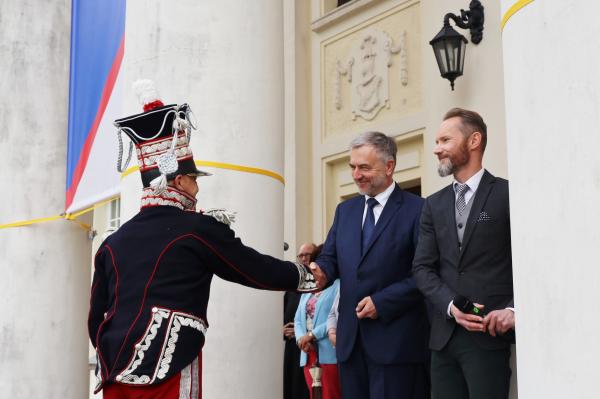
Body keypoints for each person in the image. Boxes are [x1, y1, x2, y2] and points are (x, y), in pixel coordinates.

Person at [88, 80, 316, 399]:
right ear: (178, 180)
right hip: (169, 360)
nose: (197, 189)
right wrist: (303, 275)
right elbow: (251, 269)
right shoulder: (196, 228)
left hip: (115, 368)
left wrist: (111, 349)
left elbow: (95, 314)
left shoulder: (113, 241)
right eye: (193, 180)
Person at [309, 131, 430, 399]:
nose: (355, 175)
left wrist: (382, 302)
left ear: (389, 166)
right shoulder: (345, 211)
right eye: (352, 167)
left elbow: (425, 273)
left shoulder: (419, 209)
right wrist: (321, 271)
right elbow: (330, 257)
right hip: (350, 345)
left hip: (397, 345)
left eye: (364, 167)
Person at [412, 108, 515, 399]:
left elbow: (530, 262)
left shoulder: (508, 194)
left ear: (474, 141)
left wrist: (513, 309)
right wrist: (449, 305)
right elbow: (422, 268)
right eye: (436, 141)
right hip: (443, 340)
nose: (436, 149)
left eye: (445, 140)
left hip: (490, 337)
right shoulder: (432, 205)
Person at [295, 279, 341, 399]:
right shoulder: (307, 288)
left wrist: (311, 335)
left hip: (328, 352)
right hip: (308, 352)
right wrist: (301, 340)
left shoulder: (338, 285)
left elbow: (336, 317)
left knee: (330, 394)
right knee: (314, 395)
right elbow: (298, 320)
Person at [283, 243, 316, 399]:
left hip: (309, 346)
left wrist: (302, 332)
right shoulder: (292, 289)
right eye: (300, 256)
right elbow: (282, 316)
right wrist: (282, 330)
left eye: (307, 255)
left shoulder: (319, 286)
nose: (303, 259)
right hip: (291, 349)